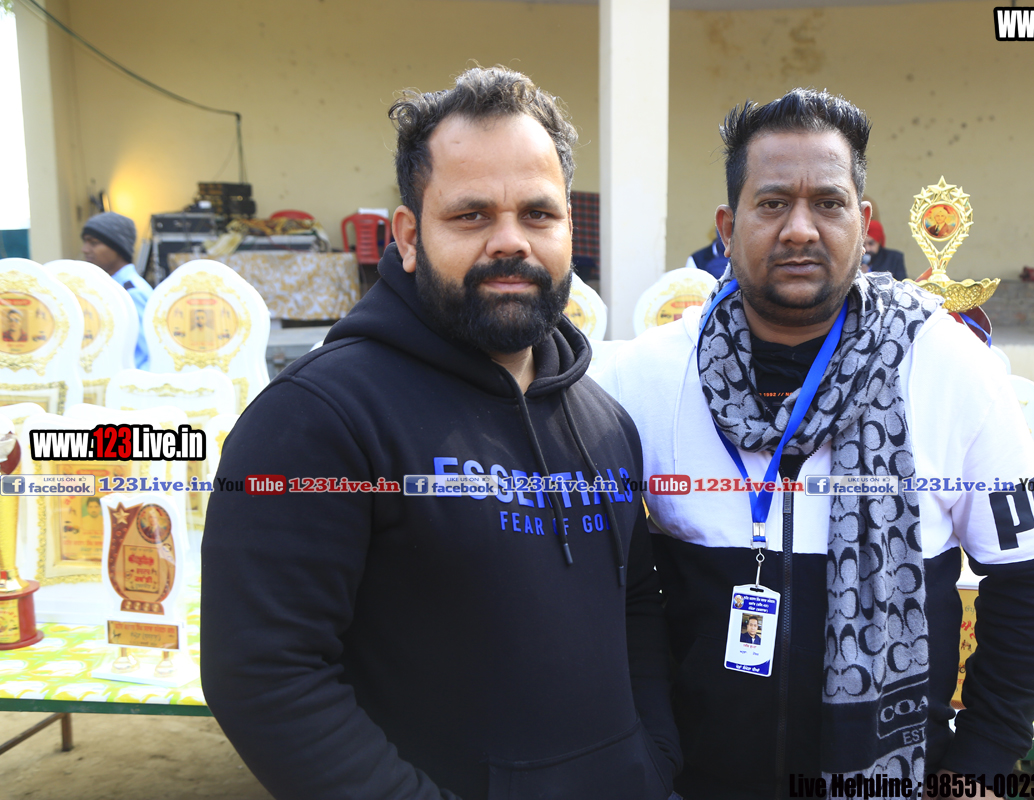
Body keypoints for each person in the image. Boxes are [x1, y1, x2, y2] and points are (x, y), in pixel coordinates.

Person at [201, 67, 680, 800]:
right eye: (471, 215)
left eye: (538, 213)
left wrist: (651, 761)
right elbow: (265, 676)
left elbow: (637, 606)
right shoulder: (314, 419)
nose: (510, 242)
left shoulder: (604, 421)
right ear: (408, 236)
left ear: (567, 229)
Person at [595, 88, 1034, 799]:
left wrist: (979, 762)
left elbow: (1032, 577)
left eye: (828, 203)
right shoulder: (647, 376)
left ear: (864, 224)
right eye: (771, 203)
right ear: (726, 228)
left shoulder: (948, 366)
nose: (800, 229)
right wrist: (644, 759)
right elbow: (600, 589)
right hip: (691, 781)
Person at [81, 211, 151, 367]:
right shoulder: (106, 286)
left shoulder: (132, 292)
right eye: (85, 242)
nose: (85, 249)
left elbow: (152, 353)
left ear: (117, 247)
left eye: (94, 243)